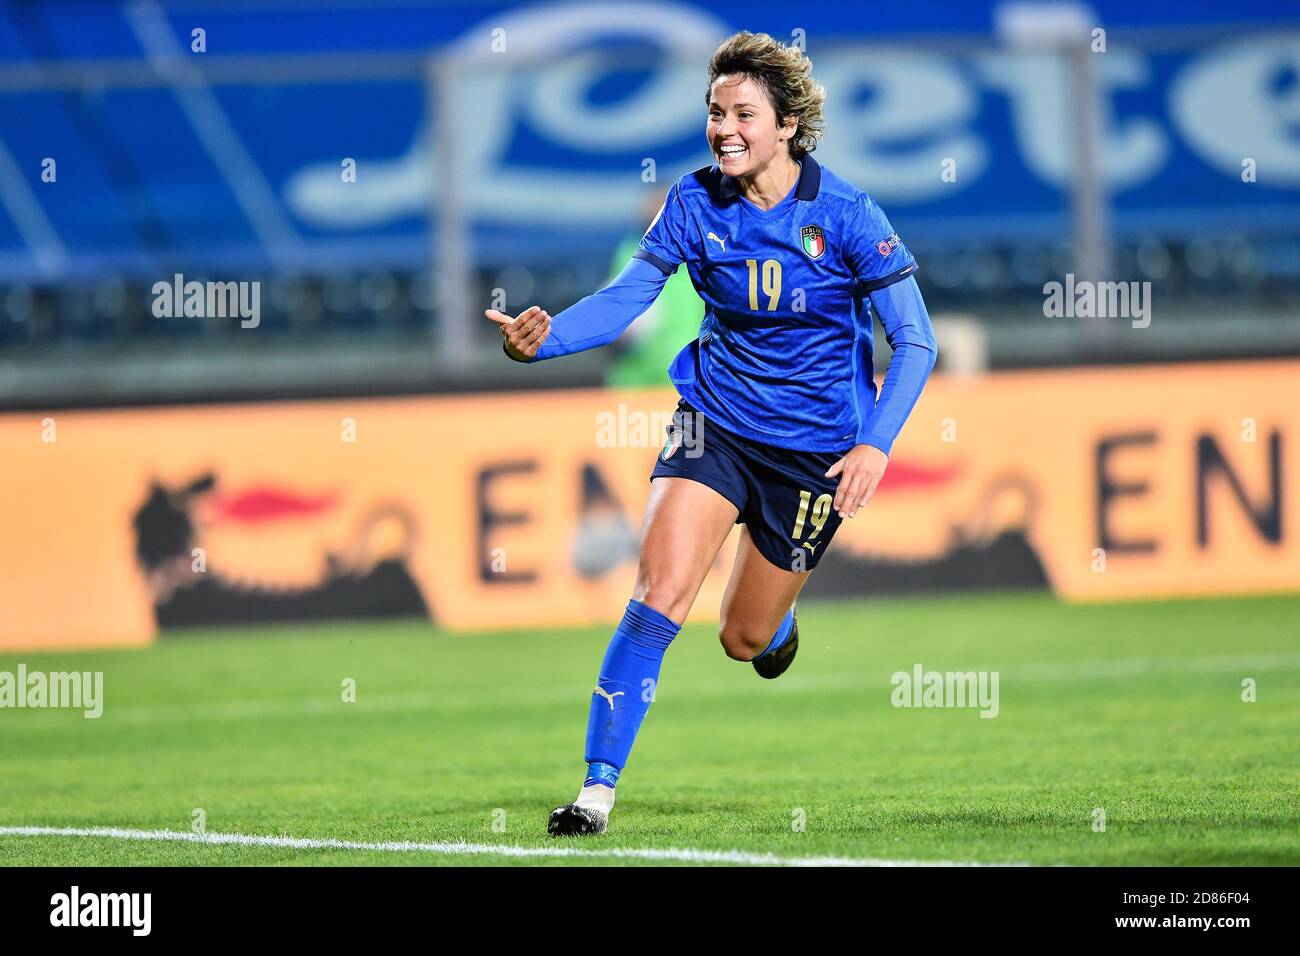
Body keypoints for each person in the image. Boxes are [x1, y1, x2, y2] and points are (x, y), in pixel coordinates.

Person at [485, 31, 938, 837]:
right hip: (714, 425)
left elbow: (916, 339)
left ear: (787, 124)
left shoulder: (846, 214)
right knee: (658, 595)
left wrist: (876, 444)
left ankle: (780, 623)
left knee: (743, 637)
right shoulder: (692, 205)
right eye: (713, 112)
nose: (723, 128)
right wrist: (543, 338)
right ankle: (596, 792)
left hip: (813, 454)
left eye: (742, 114)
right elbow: (630, 297)